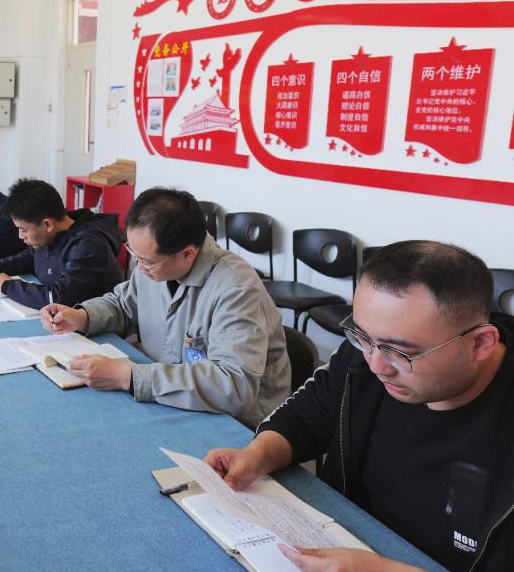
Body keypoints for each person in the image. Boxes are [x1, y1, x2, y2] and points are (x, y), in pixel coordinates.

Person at [204, 241, 514, 571]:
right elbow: (306, 418)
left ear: (481, 343)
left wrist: (382, 570)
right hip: (347, 538)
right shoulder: (363, 357)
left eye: (401, 353)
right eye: (362, 337)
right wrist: (257, 454)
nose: (376, 366)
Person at [42, 187, 289, 429]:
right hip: (168, 395)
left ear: (188, 254)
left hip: (236, 423)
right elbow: (122, 304)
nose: (139, 267)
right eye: (133, 254)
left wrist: (128, 377)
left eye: (146, 261)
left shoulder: (236, 291)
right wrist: (82, 316)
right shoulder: (155, 267)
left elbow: (233, 385)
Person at [0, 178, 122, 310]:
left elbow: (60, 297)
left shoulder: (89, 245)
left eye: (24, 230)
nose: (20, 236)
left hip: (92, 329)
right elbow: (30, 256)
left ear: (47, 224)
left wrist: (7, 285)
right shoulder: (52, 234)